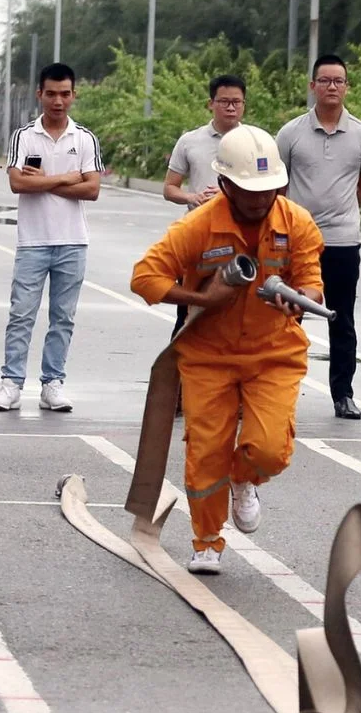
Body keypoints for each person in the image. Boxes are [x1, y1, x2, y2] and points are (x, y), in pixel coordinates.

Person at [131, 124, 325, 574]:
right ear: (224, 185)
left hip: (274, 353)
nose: (261, 200)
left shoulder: (297, 223)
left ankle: (244, 478)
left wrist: (300, 300)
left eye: (270, 190)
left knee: (270, 449)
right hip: (207, 357)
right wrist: (203, 300)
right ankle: (207, 541)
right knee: (206, 449)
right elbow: (145, 278)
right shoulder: (198, 226)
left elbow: (313, 283)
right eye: (250, 191)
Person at [0, 63, 100, 414]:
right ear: (39, 94)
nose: (58, 100)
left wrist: (47, 181)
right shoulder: (25, 136)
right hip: (32, 242)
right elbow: (18, 184)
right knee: (21, 314)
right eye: (51, 93)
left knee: (62, 317)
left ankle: (53, 383)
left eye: (65, 94)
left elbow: (92, 189)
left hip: (72, 242)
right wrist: (67, 178)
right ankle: (11, 384)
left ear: (73, 95)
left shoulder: (84, 138)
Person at [277, 54, 361, 420]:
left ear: (347, 87)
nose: (332, 87)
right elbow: (278, 183)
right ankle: (279, 391)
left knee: (342, 319)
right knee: (289, 319)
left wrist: (346, 212)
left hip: (342, 242)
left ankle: (343, 395)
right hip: (298, 242)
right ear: (313, 86)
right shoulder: (290, 133)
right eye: (325, 80)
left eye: (339, 81)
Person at [164, 75, 249, 335]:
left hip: (242, 235)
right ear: (210, 103)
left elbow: (270, 188)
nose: (231, 107)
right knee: (189, 309)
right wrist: (193, 198)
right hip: (199, 236)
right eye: (224, 101)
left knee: (239, 309)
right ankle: (178, 369)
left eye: (237, 102)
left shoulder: (255, 141)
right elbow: (170, 188)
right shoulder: (190, 141)